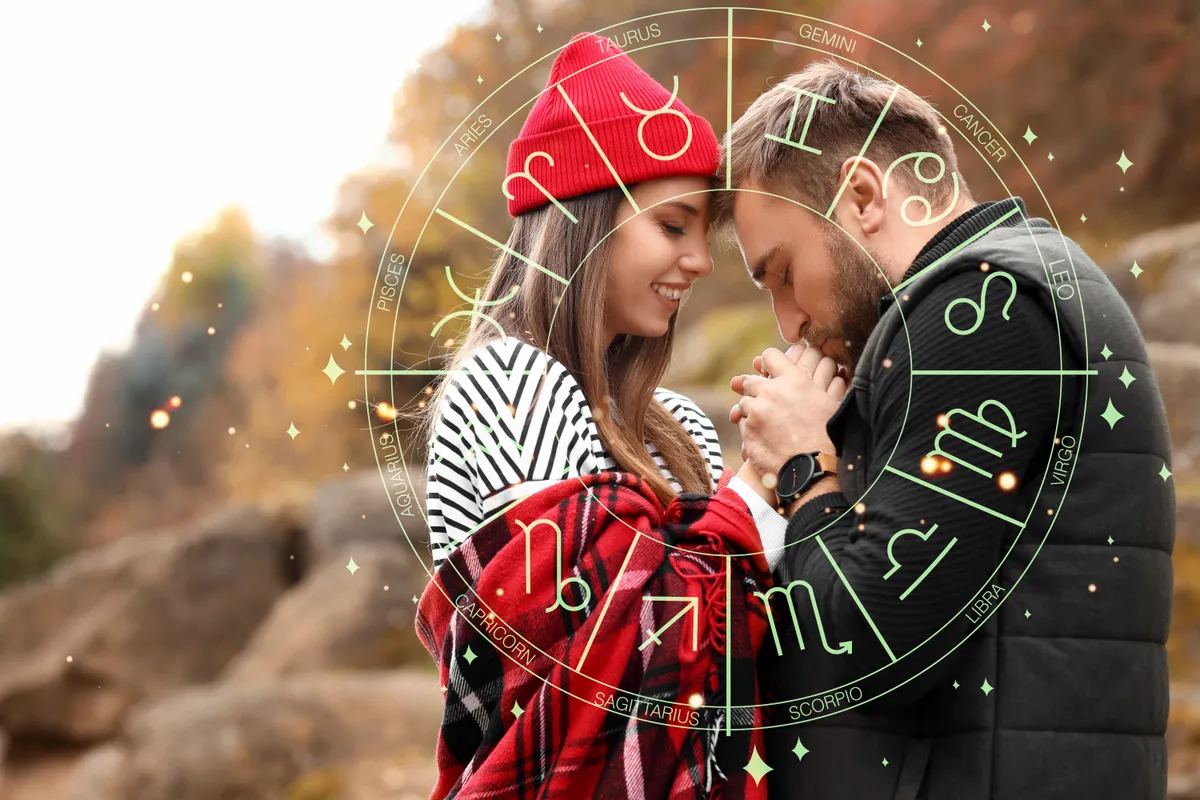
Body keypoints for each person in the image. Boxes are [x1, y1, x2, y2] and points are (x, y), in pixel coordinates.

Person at [713, 61, 1173, 799]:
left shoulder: (977, 311)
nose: (789, 322)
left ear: (863, 196)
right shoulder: (1013, 289)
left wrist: (804, 467)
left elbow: (871, 645)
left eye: (785, 273)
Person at [416, 32, 842, 799]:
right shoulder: (509, 382)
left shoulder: (675, 427)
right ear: (583, 220)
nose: (700, 261)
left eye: (702, 236)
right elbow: (601, 659)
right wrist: (761, 482)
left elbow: (728, 643)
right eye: (672, 226)